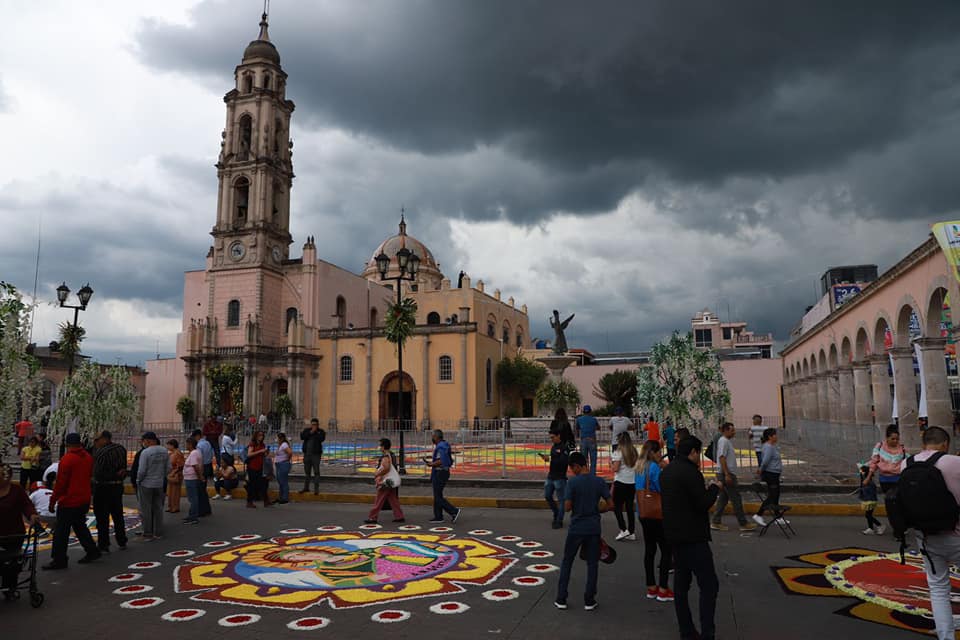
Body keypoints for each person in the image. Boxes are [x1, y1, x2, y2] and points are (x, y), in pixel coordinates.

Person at [902, 426, 960, 640]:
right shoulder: (954, 463)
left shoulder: (905, 464)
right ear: (945, 444)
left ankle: (946, 635)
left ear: (923, 444)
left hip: (926, 538)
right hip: (957, 535)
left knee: (937, 587)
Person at [661, 436, 721, 640]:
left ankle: (686, 630)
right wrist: (714, 488)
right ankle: (707, 633)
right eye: (699, 453)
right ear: (693, 452)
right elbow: (702, 503)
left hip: (674, 537)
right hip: (694, 537)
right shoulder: (691, 473)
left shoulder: (667, 471)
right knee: (709, 585)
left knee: (681, 587)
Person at [554, 451, 611, 611]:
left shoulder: (572, 483)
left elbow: (567, 508)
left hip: (576, 527)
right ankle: (589, 599)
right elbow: (611, 504)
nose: (571, 472)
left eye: (572, 469)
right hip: (593, 527)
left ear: (577, 466)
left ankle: (561, 598)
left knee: (567, 562)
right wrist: (597, 510)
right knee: (592, 564)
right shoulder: (599, 482)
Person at [43, 433, 99, 570]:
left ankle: (59, 559)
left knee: (61, 531)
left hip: (69, 500)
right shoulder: (88, 457)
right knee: (80, 525)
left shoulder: (67, 459)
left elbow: (61, 484)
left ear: (67, 444)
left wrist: (52, 501)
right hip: (84, 498)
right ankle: (92, 550)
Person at [636, 439, 672, 602]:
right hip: (657, 513)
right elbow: (663, 487)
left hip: (643, 511)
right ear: (653, 453)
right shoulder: (655, 468)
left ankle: (651, 586)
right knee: (665, 550)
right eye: (658, 452)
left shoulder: (639, 467)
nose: (660, 455)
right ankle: (663, 587)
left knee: (649, 550)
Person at [0, 463, 40, 597]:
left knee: (12, 561)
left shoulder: (17, 490)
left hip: (14, 533)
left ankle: (10, 587)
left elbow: (27, 505)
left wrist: (32, 515)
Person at [711, 422, 757, 532]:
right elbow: (722, 458)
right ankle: (743, 523)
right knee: (736, 498)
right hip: (726, 474)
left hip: (725, 473)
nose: (734, 432)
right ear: (726, 430)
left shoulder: (725, 442)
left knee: (723, 498)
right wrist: (727, 474)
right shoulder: (723, 442)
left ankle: (715, 521)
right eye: (732, 430)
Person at [92, 430, 128, 552]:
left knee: (102, 517)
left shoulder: (101, 452)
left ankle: (104, 543)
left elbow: (98, 472)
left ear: (104, 439)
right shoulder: (121, 449)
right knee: (117, 514)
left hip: (103, 487)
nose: (96, 443)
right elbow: (123, 468)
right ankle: (121, 540)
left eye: (97, 440)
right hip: (117, 486)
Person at [136, 431, 170, 541]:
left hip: (146, 483)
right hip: (159, 483)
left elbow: (141, 470)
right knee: (158, 508)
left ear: (148, 440)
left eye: (144, 441)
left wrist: (138, 480)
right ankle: (158, 532)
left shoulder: (145, 452)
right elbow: (168, 468)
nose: (143, 443)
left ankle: (147, 533)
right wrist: (161, 476)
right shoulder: (164, 451)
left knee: (146, 509)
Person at [365, 438, 405, 524]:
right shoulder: (389, 454)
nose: (379, 447)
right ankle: (399, 516)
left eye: (380, 445)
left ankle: (372, 517)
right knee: (393, 499)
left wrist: (378, 474)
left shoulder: (386, 456)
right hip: (390, 481)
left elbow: (386, 468)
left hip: (386, 481)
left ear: (383, 446)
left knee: (379, 499)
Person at [425, 429, 461, 523]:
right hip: (441, 472)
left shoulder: (441, 447)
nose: (432, 438)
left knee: (437, 496)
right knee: (438, 495)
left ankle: (453, 511)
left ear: (436, 437)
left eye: (433, 436)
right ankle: (438, 516)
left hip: (440, 472)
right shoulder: (444, 445)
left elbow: (442, 460)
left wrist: (431, 464)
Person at [610, 431, 638, 541]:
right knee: (629, 507)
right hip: (631, 482)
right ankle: (631, 531)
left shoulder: (618, 452)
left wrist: (611, 465)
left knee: (617, 507)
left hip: (620, 481)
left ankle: (623, 529)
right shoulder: (634, 451)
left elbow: (616, 468)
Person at [540, 427, 570, 529]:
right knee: (547, 495)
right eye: (550, 437)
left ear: (558, 436)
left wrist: (551, 458)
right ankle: (556, 512)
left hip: (560, 477)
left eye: (553, 437)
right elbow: (554, 460)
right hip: (551, 475)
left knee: (561, 500)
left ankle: (559, 520)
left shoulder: (564, 447)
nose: (551, 439)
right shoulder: (553, 447)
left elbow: (564, 461)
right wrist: (547, 459)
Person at [865, 424, 907, 496]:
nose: (895, 441)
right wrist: (868, 478)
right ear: (887, 438)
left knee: (898, 499)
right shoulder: (880, 447)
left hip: (898, 479)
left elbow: (905, 463)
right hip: (884, 480)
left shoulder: (902, 449)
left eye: (897, 439)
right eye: (893, 439)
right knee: (888, 499)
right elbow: (874, 463)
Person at [753, 428, 783, 527]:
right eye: (775, 435)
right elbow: (765, 461)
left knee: (775, 496)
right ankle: (759, 514)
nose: (776, 436)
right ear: (770, 437)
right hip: (771, 474)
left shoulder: (771, 446)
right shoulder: (769, 447)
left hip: (774, 473)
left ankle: (778, 517)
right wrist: (761, 469)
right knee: (772, 495)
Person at [191, 429, 214, 516]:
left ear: (197, 436)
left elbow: (199, 459)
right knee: (203, 489)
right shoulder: (207, 443)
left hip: (202, 467)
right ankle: (207, 509)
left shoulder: (199, 446)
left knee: (199, 490)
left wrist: (199, 474)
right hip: (208, 465)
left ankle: (201, 510)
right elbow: (212, 454)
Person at [300, 418, 326, 495]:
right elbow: (302, 437)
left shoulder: (321, 432)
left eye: (315, 424)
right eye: (312, 424)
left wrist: (315, 432)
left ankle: (316, 489)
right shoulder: (307, 430)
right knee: (307, 473)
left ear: (318, 425)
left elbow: (322, 439)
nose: (314, 426)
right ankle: (306, 487)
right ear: (311, 424)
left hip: (316, 455)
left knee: (316, 472)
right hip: (307, 455)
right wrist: (311, 432)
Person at [245, 431, 270, 508]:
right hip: (252, 467)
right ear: (256, 436)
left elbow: (264, 455)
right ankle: (249, 502)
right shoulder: (253, 444)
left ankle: (266, 500)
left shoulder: (262, 445)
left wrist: (266, 452)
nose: (261, 437)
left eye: (262, 435)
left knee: (263, 484)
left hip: (260, 467)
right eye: (259, 435)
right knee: (252, 485)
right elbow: (249, 454)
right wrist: (260, 451)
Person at [182, 437, 203, 525]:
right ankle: (191, 515)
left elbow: (195, 466)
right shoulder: (194, 452)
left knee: (193, 498)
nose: (185, 445)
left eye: (187, 444)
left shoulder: (194, 453)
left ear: (190, 444)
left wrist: (199, 477)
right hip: (190, 477)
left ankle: (194, 517)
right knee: (192, 498)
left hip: (191, 478)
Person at [858, 465, 883, 535]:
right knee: (868, 514)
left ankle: (879, 525)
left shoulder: (868, 482)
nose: (860, 473)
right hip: (868, 500)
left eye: (861, 471)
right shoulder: (867, 481)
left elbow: (863, 483)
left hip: (870, 501)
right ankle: (870, 528)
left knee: (868, 515)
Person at [575, 405, 599, 475]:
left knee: (583, 459)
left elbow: (577, 428)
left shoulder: (579, 419)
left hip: (583, 440)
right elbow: (598, 427)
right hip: (592, 440)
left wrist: (577, 436)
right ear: (590, 411)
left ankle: (584, 473)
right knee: (593, 459)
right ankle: (592, 474)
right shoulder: (593, 419)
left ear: (583, 411)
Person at [215, 425, 236, 499]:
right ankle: (218, 493)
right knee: (216, 479)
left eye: (222, 463)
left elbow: (226, 476)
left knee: (226, 479)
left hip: (226, 453)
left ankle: (228, 494)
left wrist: (221, 474)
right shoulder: (227, 438)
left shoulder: (229, 468)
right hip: (227, 453)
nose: (221, 464)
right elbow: (233, 444)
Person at [166, 439, 184, 513]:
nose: (167, 446)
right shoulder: (172, 453)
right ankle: (170, 506)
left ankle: (175, 507)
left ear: (172, 445)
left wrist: (174, 472)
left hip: (176, 474)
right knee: (170, 491)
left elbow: (180, 465)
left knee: (175, 492)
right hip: (171, 474)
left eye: (168, 445)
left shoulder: (178, 453)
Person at [275, 433, 293, 504]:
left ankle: (285, 498)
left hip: (283, 465)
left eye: (277, 438)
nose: (276, 440)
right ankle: (281, 497)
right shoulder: (280, 445)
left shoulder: (284, 444)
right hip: (279, 465)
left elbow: (290, 452)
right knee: (280, 482)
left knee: (283, 482)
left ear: (281, 438)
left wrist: (286, 460)